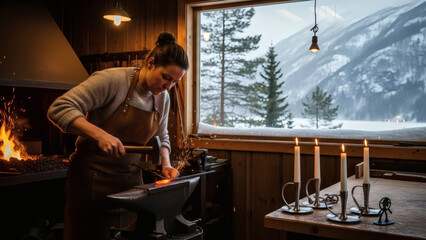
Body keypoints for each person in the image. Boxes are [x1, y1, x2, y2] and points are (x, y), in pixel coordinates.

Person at [47, 32, 189, 240]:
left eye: (174, 82)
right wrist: (100, 135)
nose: (168, 87)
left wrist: (166, 164)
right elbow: (58, 108)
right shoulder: (113, 81)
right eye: (166, 77)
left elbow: (163, 135)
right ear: (150, 63)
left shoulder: (162, 98)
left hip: (130, 186)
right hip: (91, 182)